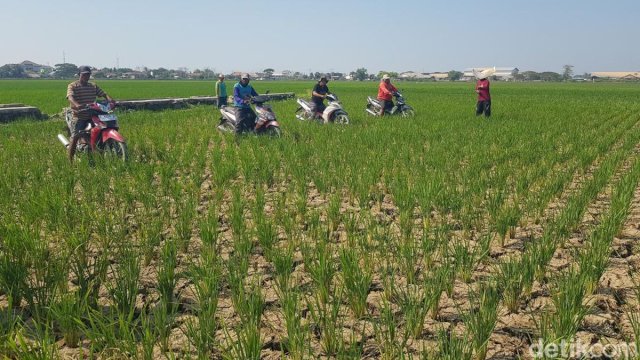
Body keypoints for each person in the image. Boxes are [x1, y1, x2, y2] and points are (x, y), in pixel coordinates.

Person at [66, 65, 113, 162]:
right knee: (75, 137)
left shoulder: (93, 86)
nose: (86, 77)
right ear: (79, 75)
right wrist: (77, 104)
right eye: (84, 75)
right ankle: (70, 161)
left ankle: (98, 148)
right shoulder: (73, 86)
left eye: (88, 75)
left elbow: (103, 93)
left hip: (93, 115)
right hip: (80, 116)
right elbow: (70, 97)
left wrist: (110, 99)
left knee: (103, 128)